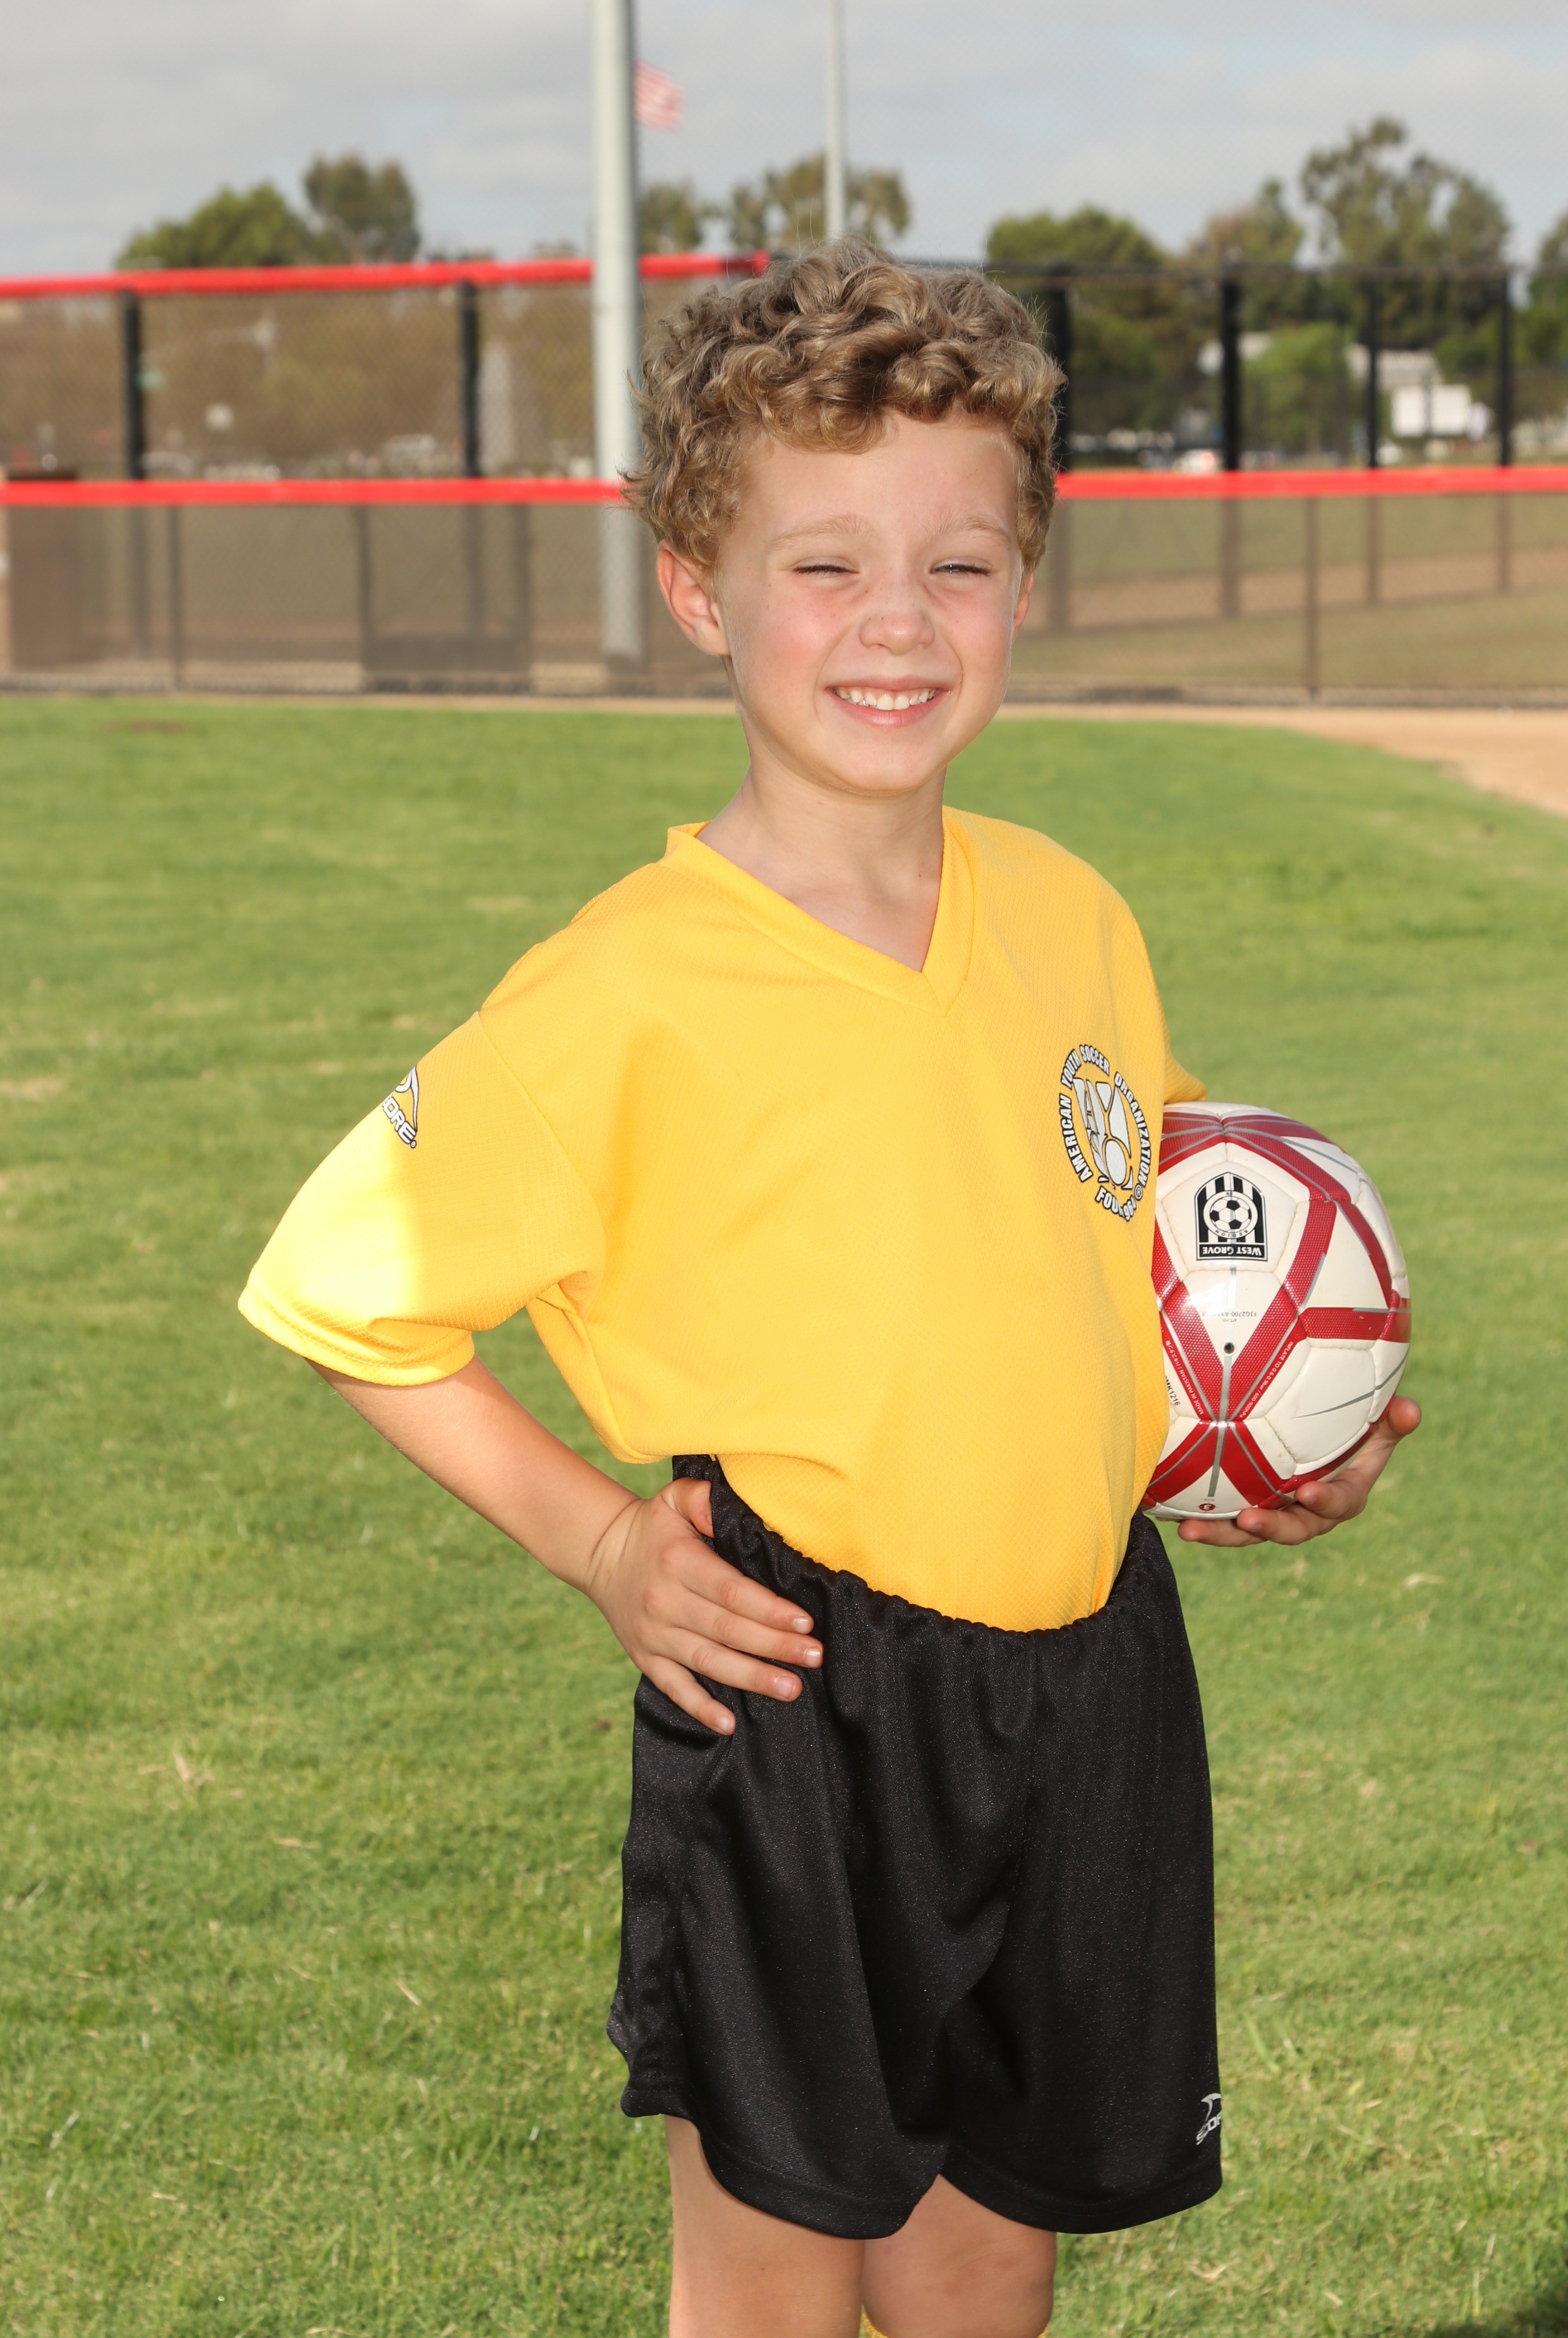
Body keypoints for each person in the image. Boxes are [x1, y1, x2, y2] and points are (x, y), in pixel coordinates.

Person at [240, 241, 1418, 2338]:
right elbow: (344, 1291)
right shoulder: (624, 992)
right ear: (700, 590)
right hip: (807, 1690)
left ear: (1025, 585)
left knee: (985, 2274)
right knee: (776, 2278)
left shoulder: (1072, 917)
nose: (898, 622)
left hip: (1089, 1673)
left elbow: (1131, 1257)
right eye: (825, 567)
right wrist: (605, 1543)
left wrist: (1249, 1449)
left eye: (958, 565)